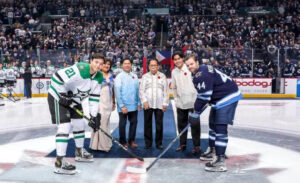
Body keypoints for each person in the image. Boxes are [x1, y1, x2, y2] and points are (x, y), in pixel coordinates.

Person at [47, 53, 104, 175]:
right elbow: (56, 77)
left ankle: (79, 152)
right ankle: (59, 162)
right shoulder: (81, 69)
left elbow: (94, 97)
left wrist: (94, 116)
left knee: (80, 124)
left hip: (73, 100)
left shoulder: (99, 77)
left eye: (101, 63)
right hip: (58, 97)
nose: (98, 65)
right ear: (91, 61)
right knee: (65, 126)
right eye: (96, 62)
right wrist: (62, 94)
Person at [185, 54, 242, 172]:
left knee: (220, 127)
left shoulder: (202, 74)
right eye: (187, 65)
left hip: (227, 98)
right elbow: (206, 94)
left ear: (197, 62)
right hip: (218, 99)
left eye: (191, 64)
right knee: (212, 124)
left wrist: (195, 112)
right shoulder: (199, 71)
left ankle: (220, 161)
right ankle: (213, 150)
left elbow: (204, 97)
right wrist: (198, 109)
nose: (190, 67)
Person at [171, 51, 200, 154]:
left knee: (195, 126)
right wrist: (176, 100)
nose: (177, 61)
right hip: (181, 104)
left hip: (193, 103)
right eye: (175, 59)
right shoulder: (174, 72)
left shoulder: (189, 68)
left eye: (179, 58)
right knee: (181, 126)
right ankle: (182, 144)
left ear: (183, 58)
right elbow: (173, 87)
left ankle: (197, 146)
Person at [139, 58, 169, 150]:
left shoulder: (163, 76)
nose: (153, 67)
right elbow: (141, 90)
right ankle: (148, 143)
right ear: (149, 66)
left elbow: (166, 91)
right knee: (147, 124)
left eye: (155, 65)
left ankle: (159, 143)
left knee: (159, 125)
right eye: (151, 65)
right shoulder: (145, 76)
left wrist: (165, 103)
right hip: (148, 104)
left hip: (159, 104)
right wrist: (144, 101)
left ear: (158, 66)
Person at [114, 58, 141, 148]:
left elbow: (138, 90)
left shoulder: (135, 76)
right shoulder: (119, 77)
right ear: (122, 65)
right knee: (123, 124)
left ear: (131, 65)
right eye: (125, 63)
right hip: (123, 106)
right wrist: (121, 106)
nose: (127, 65)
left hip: (133, 105)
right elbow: (117, 92)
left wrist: (138, 103)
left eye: (128, 63)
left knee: (134, 123)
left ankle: (131, 141)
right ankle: (122, 142)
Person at [90, 58, 115, 152]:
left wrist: (113, 101)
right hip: (100, 102)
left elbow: (112, 91)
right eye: (105, 64)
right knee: (101, 123)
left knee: (106, 123)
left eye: (108, 64)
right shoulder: (97, 75)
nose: (106, 66)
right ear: (101, 65)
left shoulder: (111, 76)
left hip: (108, 102)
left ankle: (103, 143)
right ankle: (103, 146)